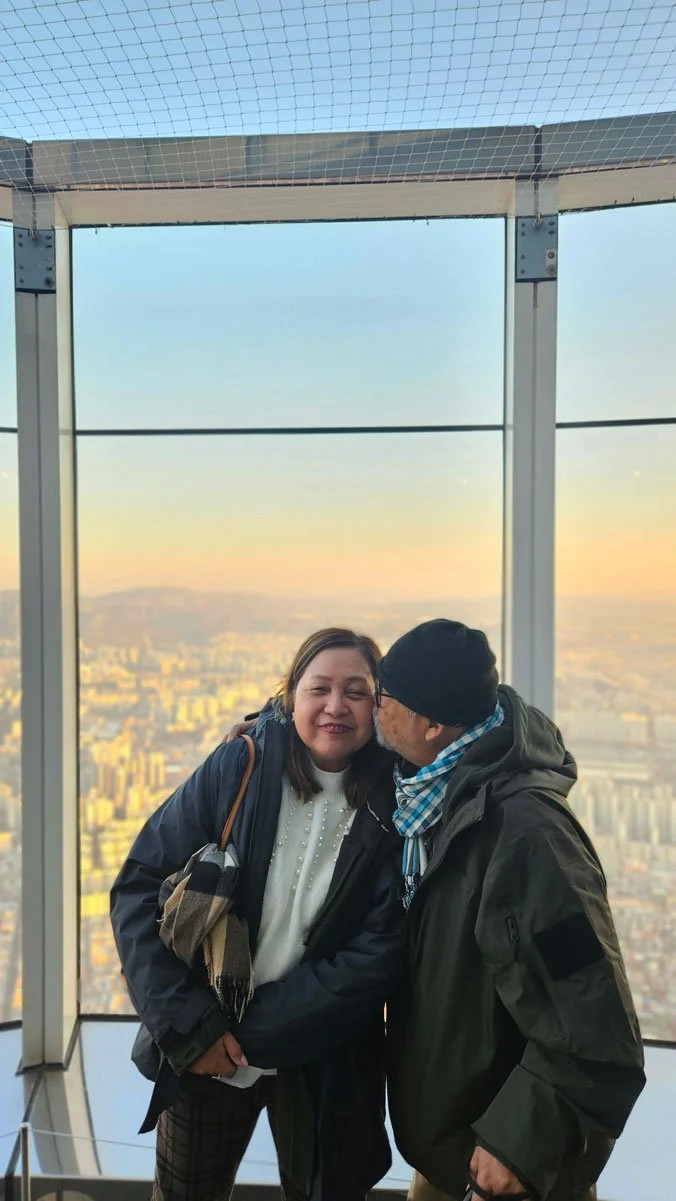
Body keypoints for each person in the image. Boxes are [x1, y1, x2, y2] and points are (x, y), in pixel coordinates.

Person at [110, 627, 404, 1201]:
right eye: (319, 688)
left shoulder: (397, 802)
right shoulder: (238, 767)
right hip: (205, 1043)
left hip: (323, 1054)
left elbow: (377, 950)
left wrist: (246, 1032)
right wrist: (192, 1030)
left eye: (357, 691)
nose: (335, 707)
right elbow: (138, 886)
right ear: (291, 694)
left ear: (379, 704)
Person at [373, 619, 646, 1201]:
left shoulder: (527, 836)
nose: (374, 708)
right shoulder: (438, 795)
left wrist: (513, 1152)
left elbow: (595, 1023)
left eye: (384, 697)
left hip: (505, 1169)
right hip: (457, 1148)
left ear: (431, 725)